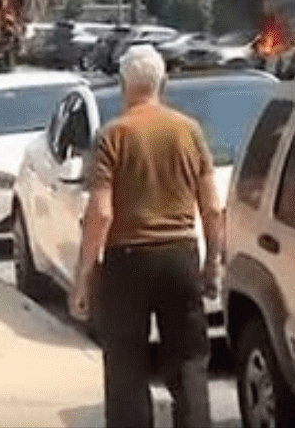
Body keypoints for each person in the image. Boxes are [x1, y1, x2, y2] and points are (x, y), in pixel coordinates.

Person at [70, 44, 223, 428]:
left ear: (123, 84)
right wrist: (212, 265)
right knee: (189, 361)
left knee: (125, 366)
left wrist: (84, 276)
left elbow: (101, 212)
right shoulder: (190, 131)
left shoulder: (112, 136)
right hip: (180, 255)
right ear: (163, 83)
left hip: (127, 262)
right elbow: (212, 208)